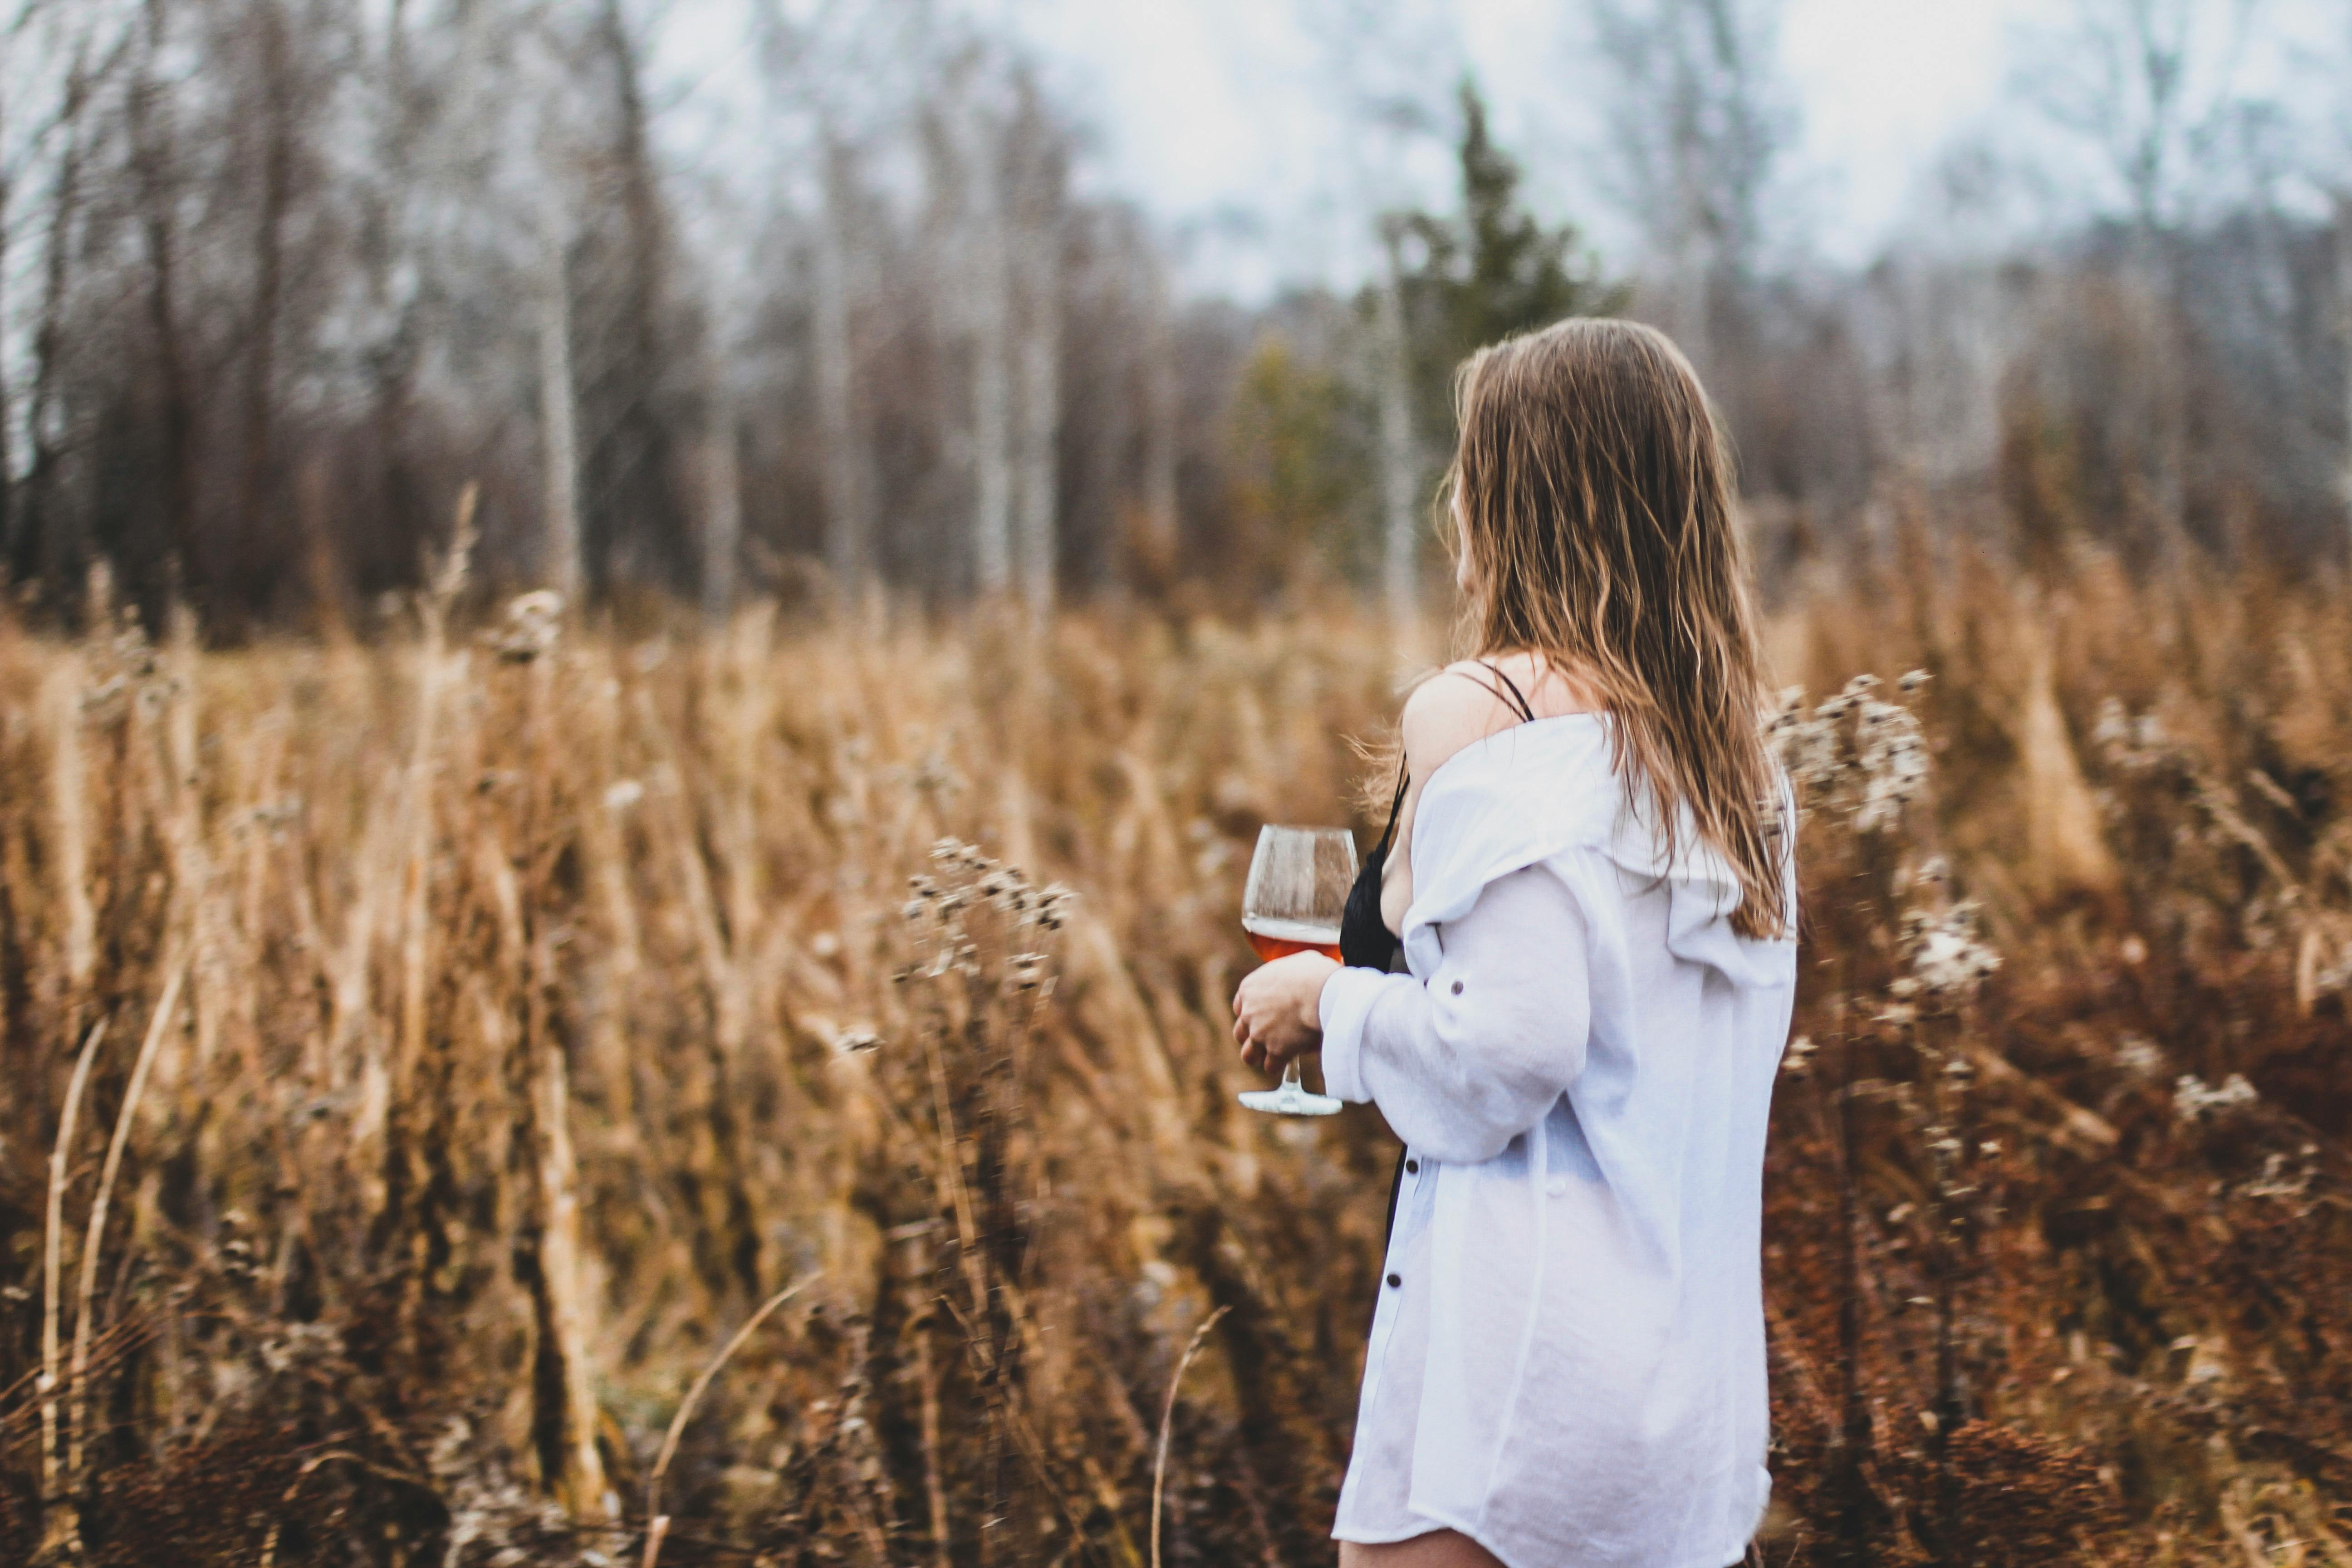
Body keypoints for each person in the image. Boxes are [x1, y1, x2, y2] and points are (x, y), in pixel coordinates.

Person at [1229, 317, 1798, 1568]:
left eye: (1471, 469)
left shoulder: (1481, 713)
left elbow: (1510, 1046)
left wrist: (1328, 1009)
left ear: (1511, 497)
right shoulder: (1734, 760)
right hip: (1688, 1383)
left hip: (1526, 1370)